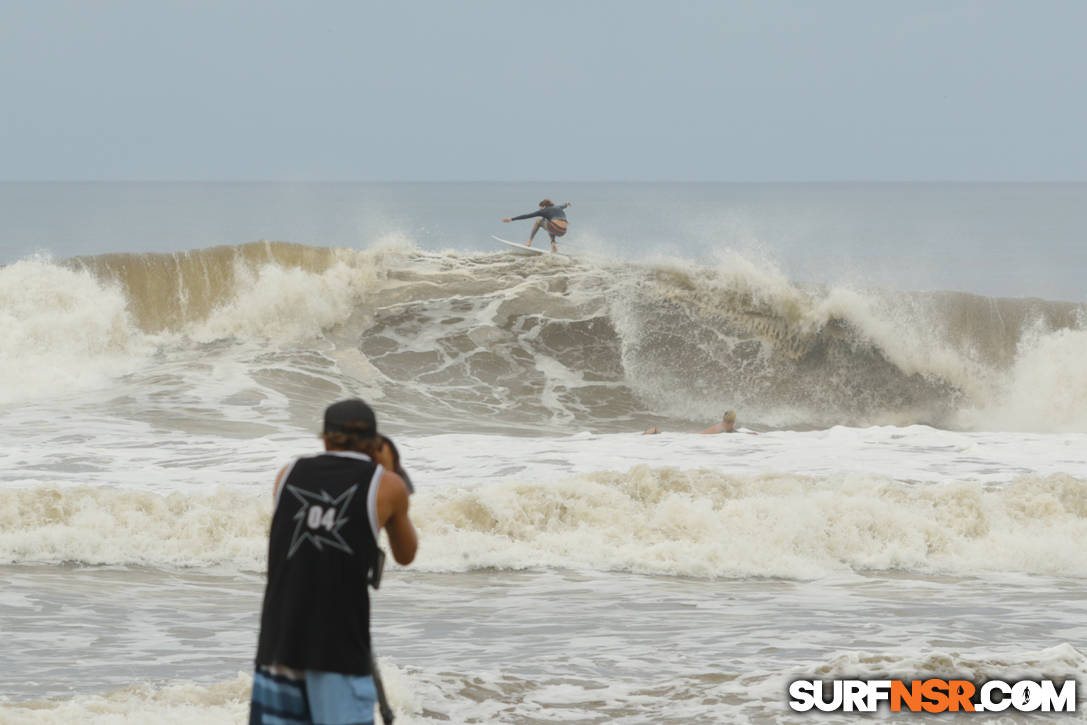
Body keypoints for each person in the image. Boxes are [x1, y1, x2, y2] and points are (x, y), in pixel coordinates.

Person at [250, 398, 418, 725]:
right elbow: (406, 553)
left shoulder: (288, 474)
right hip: (339, 647)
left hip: (279, 642)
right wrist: (392, 470)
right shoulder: (386, 485)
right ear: (375, 442)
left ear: (325, 437)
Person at [502, 198, 572, 252]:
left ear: (544, 206)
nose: (540, 209)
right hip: (563, 231)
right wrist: (567, 203)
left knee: (538, 221)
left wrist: (511, 219)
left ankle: (529, 242)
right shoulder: (558, 207)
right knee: (548, 222)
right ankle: (553, 243)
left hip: (554, 227)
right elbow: (564, 205)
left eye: (540, 207)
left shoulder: (543, 210)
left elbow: (527, 216)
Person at [642, 410, 758, 435]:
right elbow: (735, 433)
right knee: (665, 435)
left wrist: (748, 434)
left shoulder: (725, 426)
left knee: (671, 435)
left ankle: (655, 432)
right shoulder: (722, 429)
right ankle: (654, 431)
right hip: (695, 437)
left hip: (695, 435)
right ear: (733, 421)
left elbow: (734, 433)